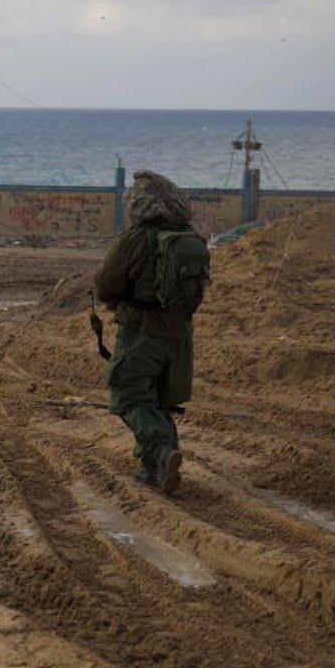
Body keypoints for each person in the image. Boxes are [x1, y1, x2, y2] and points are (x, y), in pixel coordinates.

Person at [93, 171, 208, 494]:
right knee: (158, 400)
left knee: (129, 395)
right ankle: (156, 466)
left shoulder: (136, 239)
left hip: (141, 331)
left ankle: (160, 454)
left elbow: (105, 286)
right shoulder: (188, 238)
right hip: (180, 335)